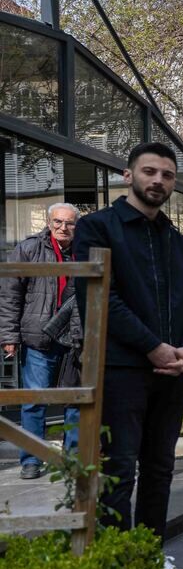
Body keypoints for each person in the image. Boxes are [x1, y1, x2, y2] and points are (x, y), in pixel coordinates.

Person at [74, 143, 183, 569]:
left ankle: (148, 557)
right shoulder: (95, 228)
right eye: (150, 172)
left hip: (170, 371)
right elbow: (100, 300)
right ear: (128, 175)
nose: (159, 181)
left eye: (167, 175)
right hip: (122, 367)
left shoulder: (176, 239)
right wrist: (153, 348)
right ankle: (115, 563)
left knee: (161, 468)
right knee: (119, 469)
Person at [0, 202, 81, 479]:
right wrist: (9, 336)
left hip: (75, 338)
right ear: (48, 223)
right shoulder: (29, 249)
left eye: (69, 223)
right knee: (34, 400)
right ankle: (31, 460)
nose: (63, 227)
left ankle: (73, 460)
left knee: (75, 401)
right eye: (58, 222)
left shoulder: (86, 249)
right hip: (37, 336)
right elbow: (10, 295)